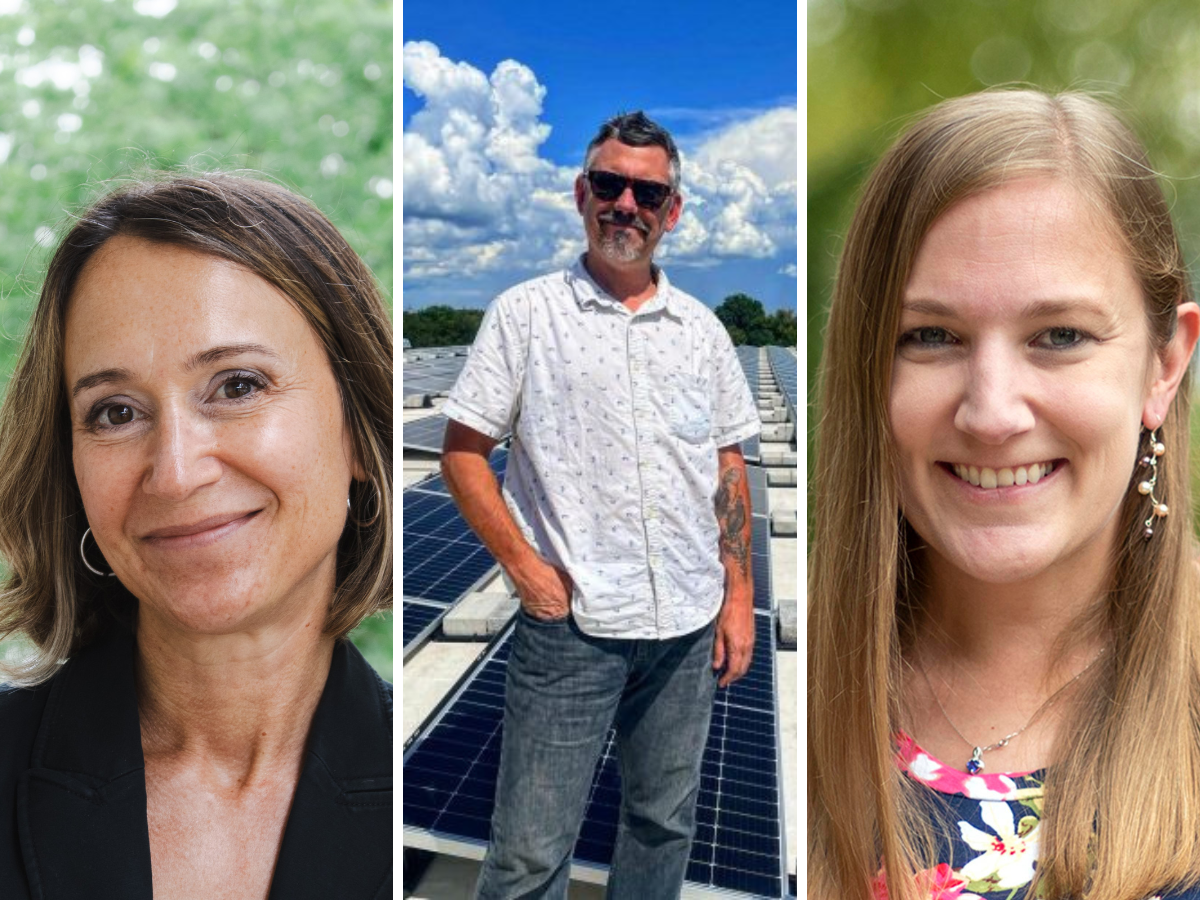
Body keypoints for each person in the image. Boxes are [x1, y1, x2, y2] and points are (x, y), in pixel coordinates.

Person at [807, 88, 1200, 900]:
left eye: (1060, 336)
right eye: (930, 336)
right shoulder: (776, 688)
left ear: (1165, 365)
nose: (990, 414)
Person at [0, 174, 393, 899]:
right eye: (115, 412)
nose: (176, 474)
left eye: (238, 386)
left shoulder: (417, 786)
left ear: (362, 430)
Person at [441, 110, 761, 899]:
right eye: (610, 185)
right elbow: (462, 454)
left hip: (686, 625)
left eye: (647, 192)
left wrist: (740, 593)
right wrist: (526, 571)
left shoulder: (702, 332)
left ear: (672, 211)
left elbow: (726, 464)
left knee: (662, 826)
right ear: (581, 193)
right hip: (573, 629)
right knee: (528, 851)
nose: (628, 204)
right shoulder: (526, 315)